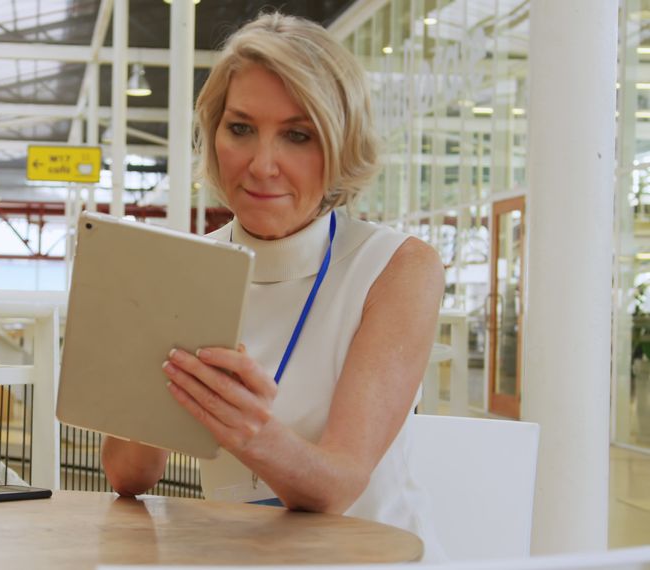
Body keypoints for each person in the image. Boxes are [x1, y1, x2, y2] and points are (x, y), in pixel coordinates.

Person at [101, 11, 447, 561]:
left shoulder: (398, 268)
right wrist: (144, 355)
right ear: (214, 136)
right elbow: (126, 474)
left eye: (297, 135)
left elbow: (338, 484)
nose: (262, 165)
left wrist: (246, 429)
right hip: (238, 557)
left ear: (340, 143)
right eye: (241, 129)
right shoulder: (186, 266)